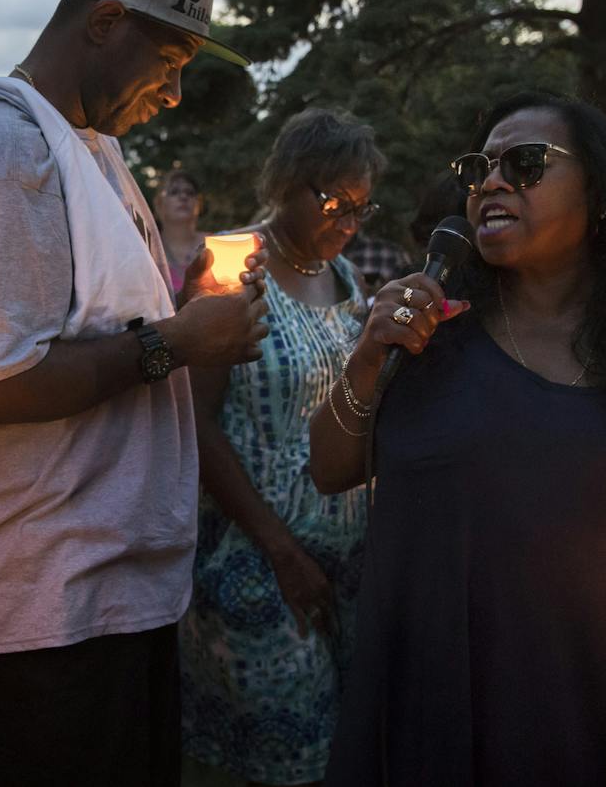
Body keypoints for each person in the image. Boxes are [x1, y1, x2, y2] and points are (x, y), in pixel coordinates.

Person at [310, 91, 606, 786]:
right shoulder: (430, 332)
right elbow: (329, 467)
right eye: (477, 169)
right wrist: (369, 358)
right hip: (432, 704)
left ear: (601, 193)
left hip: (602, 707)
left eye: (524, 163)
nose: (491, 181)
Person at [0, 0, 270, 787]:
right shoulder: (2, 147)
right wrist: (174, 342)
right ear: (105, 22)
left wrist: (193, 327)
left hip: (100, 596)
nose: (174, 94)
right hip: (45, 610)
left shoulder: (85, 147)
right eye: (169, 61)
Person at [182, 108, 382, 786]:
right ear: (289, 183)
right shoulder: (235, 269)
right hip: (259, 557)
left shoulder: (346, 279)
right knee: (285, 760)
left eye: (361, 206)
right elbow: (197, 422)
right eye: (335, 203)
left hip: (350, 553)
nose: (350, 221)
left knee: (347, 748)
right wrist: (281, 550)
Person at [153, 169, 206, 295]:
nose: (183, 197)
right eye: (173, 192)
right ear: (159, 204)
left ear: (198, 205)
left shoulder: (215, 243)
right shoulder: (148, 250)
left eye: (190, 192)